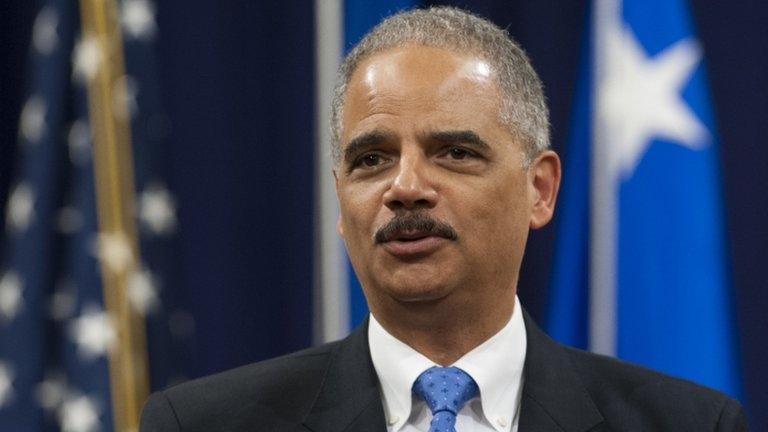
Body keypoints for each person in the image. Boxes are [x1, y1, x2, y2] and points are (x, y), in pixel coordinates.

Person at [140, 7, 746, 432]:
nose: (405, 188)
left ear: (539, 189)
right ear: (339, 201)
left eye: (454, 152)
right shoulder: (202, 424)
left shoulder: (688, 424)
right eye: (371, 159)